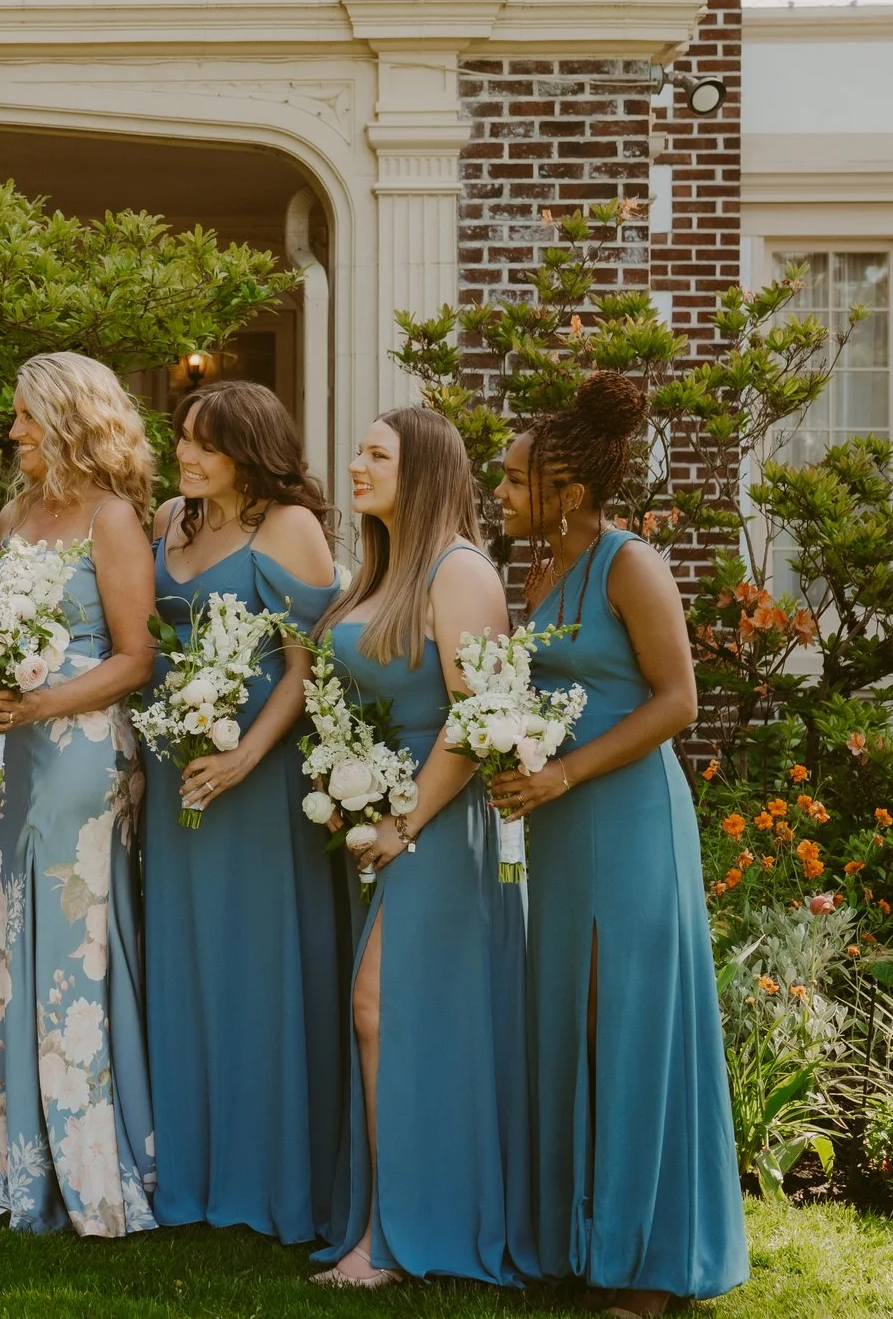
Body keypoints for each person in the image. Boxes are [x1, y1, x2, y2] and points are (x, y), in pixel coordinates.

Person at [489, 374, 749, 1316]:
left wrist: (561, 772)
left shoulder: (628, 561)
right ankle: (582, 1235)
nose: (503, 496)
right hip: (560, 823)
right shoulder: (541, 571)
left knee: (627, 1022)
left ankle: (650, 1266)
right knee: (570, 1021)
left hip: (629, 815)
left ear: (565, 488)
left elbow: (678, 701)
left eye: (516, 482)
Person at [317, 407, 534, 1290]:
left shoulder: (460, 569)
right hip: (382, 808)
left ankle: (397, 1234)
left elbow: (475, 719)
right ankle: (393, 1220)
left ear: (428, 468)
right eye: (358, 450)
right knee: (390, 1015)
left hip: (439, 819)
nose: (357, 464)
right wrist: (346, 782)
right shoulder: (383, 565)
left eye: (378, 453)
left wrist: (404, 822)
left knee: (385, 1007)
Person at [141, 380, 349, 1245]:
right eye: (183, 438)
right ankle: (190, 1174)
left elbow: (309, 666)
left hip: (259, 778)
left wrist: (244, 757)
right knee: (185, 958)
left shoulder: (288, 527)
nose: (186, 456)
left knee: (261, 965)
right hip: (174, 773)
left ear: (250, 451)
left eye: (206, 445)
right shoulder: (166, 520)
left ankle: (273, 1178)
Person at [0, 352, 159, 1237]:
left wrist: (41, 699)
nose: (14, 433)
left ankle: (93, 1170)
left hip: (83, 746)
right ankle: (26, 1163)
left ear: (69, 420)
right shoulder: (16, 512)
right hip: (15, 748)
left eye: (26, 418)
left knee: (73, 941)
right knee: (12, 936)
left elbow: (135, 656)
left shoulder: (111, 516)